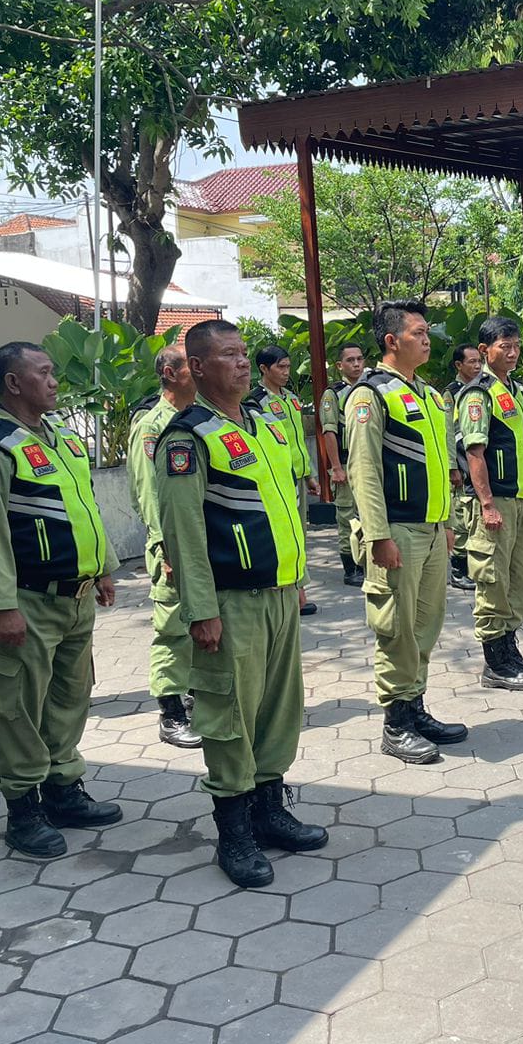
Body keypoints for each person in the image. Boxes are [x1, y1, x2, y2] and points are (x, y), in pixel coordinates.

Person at [155, 319, 327, 888]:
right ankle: (234, 832)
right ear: (199, 368)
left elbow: (280, 507)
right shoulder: (188, 438)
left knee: (278, 710)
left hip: (278, 592)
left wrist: (296, 576)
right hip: (230, 602)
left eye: (244, 352)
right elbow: (183, 534)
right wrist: (199, 610)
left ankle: (270, 808)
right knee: (230, 716)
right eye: (228, 355)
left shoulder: (260, 422)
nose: (242, 363)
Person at [0, 342, 122, 857]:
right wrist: (0, 607)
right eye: (43, 373)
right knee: (19, 706)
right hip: (26, 602)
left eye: (53, 371)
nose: (54, 381)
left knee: (69, 699)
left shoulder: (62, 440)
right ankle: (23, 809)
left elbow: (83, 508)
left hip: (76, 599)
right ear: (13, 383)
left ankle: (63, 789)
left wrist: (104, 569)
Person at [345, 299, 467, 764]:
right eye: (417, 332)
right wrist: (378, 536)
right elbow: (365, 472)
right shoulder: (370, 395)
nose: (427, 338)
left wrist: (449, 524)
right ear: (392, 341)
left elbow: (442, 470)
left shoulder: (428, 395)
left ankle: (415, 707)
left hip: (432, 529)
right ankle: (395, 724)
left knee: (425, 625)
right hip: (397, 531)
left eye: (426, 331)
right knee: (396, 628)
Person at [458, 317, 523, 690]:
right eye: (503, 346)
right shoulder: (478, 394)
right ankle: (495, 663)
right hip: (494, 505)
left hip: (517, 499)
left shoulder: (516, 390)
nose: (512, 353)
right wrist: (487, 503)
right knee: (492, 581)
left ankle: (510, 650)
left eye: (515, 345)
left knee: (518, 579)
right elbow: (475, 452)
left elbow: (520, 444)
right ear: (484, 351)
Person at [128, 343, 199, 748]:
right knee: (173, 628)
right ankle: (171, 713)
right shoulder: (153, 425)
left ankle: (193, 697)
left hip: (202, 541)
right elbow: (148, 492)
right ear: (171, 374)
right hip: (171, 545)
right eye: (192, 365)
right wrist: (166, 547)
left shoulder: (198, 419)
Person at [247, 345, 319, 617]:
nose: (287, 372)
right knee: (286, 532)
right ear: (264, 369)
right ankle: (294, 591)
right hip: (279, 478)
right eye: (281, 367)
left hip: (298, 475)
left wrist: (309, 473)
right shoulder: (256, 402)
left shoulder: (290, 398)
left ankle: (298, 588)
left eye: (288, 366)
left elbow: (297, 440)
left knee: (299, 532)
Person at [318, 342, 367, 587]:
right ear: (340, 365)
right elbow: (329, 432)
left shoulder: (369, 390)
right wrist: (336, 467)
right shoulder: (333, 394)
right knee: (347, 517)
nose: (356, 364)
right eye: (350, 360)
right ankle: (351, 568)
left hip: (368, 464)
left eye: (359, 359)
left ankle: (367, 561)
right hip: (346, 464)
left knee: (369, 514)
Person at [444, 344, 483, 592]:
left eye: (479, 361)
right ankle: (458, 570)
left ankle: (472, 565)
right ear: (459, 365)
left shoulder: (481, 389)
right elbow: (447, 431)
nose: (477, 366)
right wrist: (451, 467)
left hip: (476, 464)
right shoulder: (451, 393)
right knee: (459, 519)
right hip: (459, 463)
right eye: (471, 362)